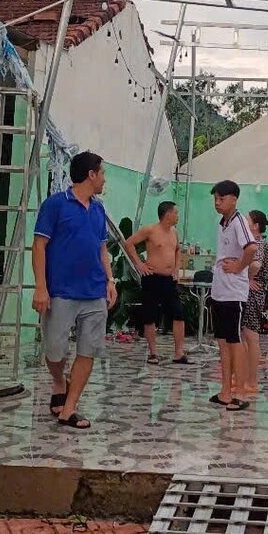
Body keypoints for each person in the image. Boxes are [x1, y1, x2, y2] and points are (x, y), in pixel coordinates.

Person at [32, 151, 117, 430]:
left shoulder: (99, 209)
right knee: (54, 350)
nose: (104, 179)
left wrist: (110, 280)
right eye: (102, 173)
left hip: (94, 292)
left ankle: (69, 409)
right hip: (61, 292)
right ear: (91, 175)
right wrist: (41, 287)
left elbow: (102, 248)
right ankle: (59, 381)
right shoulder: (55, 205)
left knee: (87, 350)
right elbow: (39, 246)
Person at [209, 180, 256, 411]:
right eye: (215, 199)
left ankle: (241, 393)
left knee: (235, 341)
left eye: (222, 199)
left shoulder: (239, 222)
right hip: (219, 290)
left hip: (233, 293)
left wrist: (239, 267)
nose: (217, 203)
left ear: (234, 199)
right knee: (223, 342)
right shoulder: (222, 223)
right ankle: (225, 391)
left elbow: (251, 248)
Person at [124, 201, 190, 365]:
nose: (177, 216)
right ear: (167, 214)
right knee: (150, 316)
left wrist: (176, 269)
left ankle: (178, 352)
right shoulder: (150, 230)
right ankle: (153, 353)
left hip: (168, 280)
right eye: (176, 212)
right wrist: (140, 264)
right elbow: (128, 244)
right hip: (152, 278)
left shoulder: (174, 232)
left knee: (178, 313)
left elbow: (177, 250)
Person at [242, 210, 268, 397]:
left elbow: (255, 265)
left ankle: (252, 381)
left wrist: (245, 278)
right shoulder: (253, 243)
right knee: (245, 337)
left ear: (255, 226)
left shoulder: (259, 244)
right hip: (252, 293)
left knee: (251, 337)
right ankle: (246, 377)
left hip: (253, 294)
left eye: (247, 221)